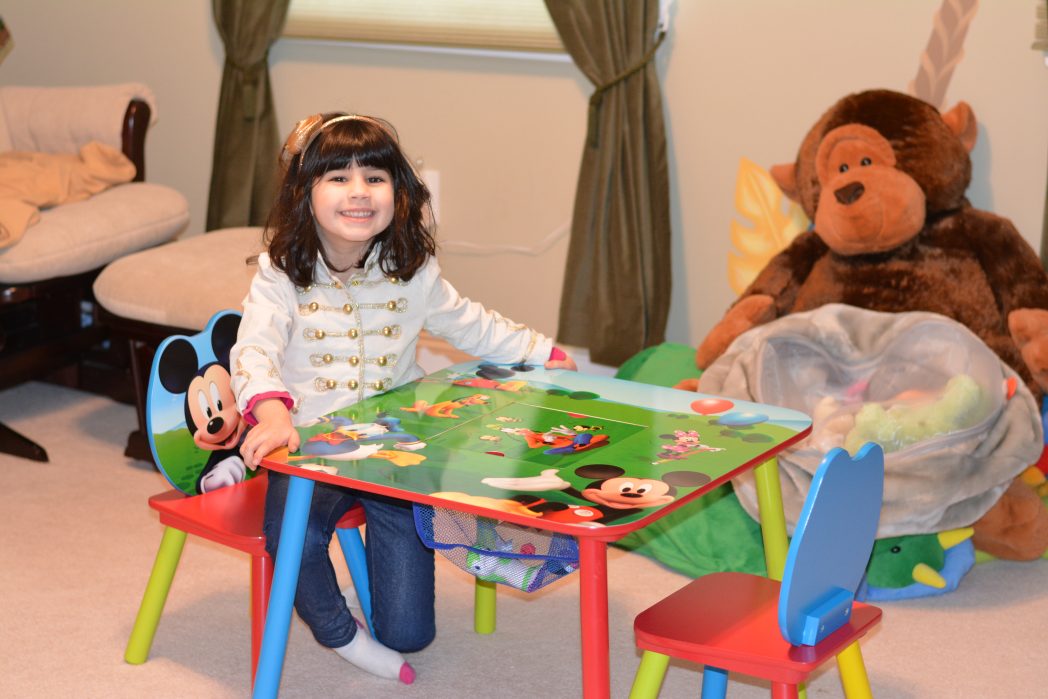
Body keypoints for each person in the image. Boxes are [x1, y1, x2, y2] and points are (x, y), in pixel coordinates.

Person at [230, 112, 575, 684]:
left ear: (400, 193)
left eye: (375, 177)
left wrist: (546, 353)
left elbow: (474, 327)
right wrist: (270, 414)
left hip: (396, 452)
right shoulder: (279, 275)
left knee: (410, 633)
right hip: (310, 448)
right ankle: (339, 635)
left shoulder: (412, 272)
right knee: (291, 535)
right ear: (304, 194)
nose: (359, 191)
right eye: (337, 177)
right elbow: (253, 352)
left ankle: (385, 615)